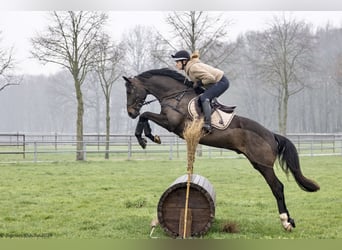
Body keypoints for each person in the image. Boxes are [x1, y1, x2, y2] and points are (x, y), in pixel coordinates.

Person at [171, 50, 230, 133]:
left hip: (222, 82)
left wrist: (199, 83)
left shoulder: (192, 68)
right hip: (217, 82)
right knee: (200, 97)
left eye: (177, 61)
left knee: (204, 98)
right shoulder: (189, 67)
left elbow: (211, 78)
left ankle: (208, 124)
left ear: (184, 61)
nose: (176, 64)